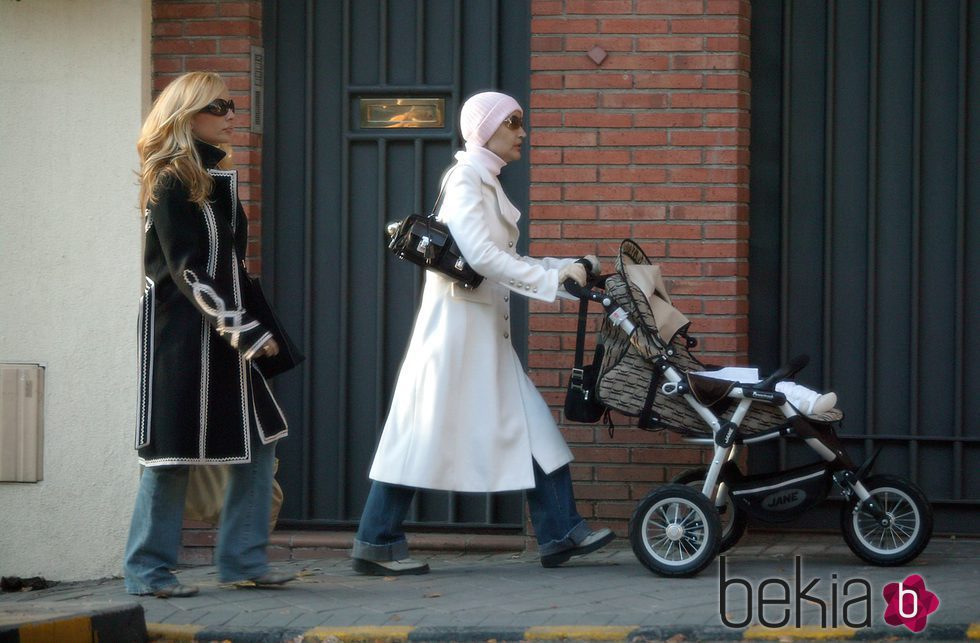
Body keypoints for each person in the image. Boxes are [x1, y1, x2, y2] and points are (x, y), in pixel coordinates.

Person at [351, 91, 614, 576]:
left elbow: (501, 259)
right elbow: (481, 258)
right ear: (485, 129)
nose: (522, 131)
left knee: (531, 427)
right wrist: (554, 279)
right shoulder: (467, 180)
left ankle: (561, 530)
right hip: (457, 337)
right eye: (512, 122)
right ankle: (376, 539)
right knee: (420, 434)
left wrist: (566, 268)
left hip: (480, 334)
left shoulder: (482, 179)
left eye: (520, 122)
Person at [124, 71, 294, 598]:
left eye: (232, 105)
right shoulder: (172, 177)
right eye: (219, 107)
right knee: (171, 454)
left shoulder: (211, 176)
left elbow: (231, 268)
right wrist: (243, 330)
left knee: (261, 439)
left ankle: (242, 560)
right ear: (188, 114)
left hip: (223, 333)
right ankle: (147, 571)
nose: (232, 115)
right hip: (181, 335)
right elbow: (187, 270)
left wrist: (255, 327)